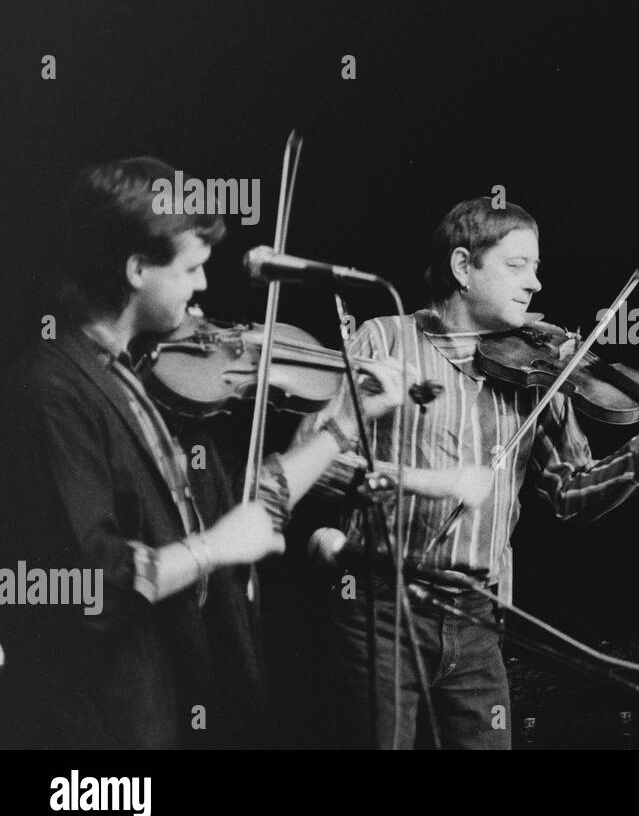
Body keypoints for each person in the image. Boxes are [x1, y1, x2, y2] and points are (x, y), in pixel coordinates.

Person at [0, 157, 406, 748]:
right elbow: (83, 580)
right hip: (105, 734)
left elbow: (245, 508)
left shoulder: (136, 380)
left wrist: (345, 424)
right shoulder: (50, 391)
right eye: (192, 268)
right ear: (138, 268)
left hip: (185, 703)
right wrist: (214, 547)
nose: (204, 287)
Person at [299, 195, 639, 749]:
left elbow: (572, 493)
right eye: (517, 266)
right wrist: (426, 481)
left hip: (475, 614)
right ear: (462, 267)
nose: (536, 285)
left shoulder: (538, 372)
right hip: (380, 604)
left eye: (537, 269)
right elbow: (317, 459)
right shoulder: (384, 340)